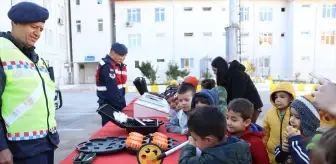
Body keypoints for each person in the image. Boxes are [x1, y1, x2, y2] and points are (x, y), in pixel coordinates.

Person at [0, 2, 59, 164]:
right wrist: (1, 148)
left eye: (41, 29)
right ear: (15, 23)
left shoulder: (35, 58)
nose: (37, 33)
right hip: (17, 150)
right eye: (33, 27)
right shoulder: (2, 52)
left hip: (45, 144)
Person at [179, 106, 252, 164]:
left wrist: (190, 146)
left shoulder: (212, 159)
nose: (193, 141)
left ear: (209, 140)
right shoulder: (238, 144)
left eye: (195, 139)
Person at [211, 57, 263, 123]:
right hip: (243, 105)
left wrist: (229, 110)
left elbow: (237, 96)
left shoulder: (237, 74)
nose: (215, 73)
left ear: (221, 68)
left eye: (215, 70)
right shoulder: (227, 76)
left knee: (246, 129)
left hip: (252, 106)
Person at [274, 96, 320, 164]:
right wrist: (282, 149)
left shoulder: (316, 141)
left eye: (297, 117)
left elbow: (306, 162)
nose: (291, 120)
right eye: (291, 115)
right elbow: (277, 159)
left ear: (309, 122)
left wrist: (295, 143)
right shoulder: (295, 135)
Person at [226, 98, 270, 164]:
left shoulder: (255, 143)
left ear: (246, 122)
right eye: (227, 118)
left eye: (234, 120)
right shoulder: (224, 136)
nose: (228, 122)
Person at [95, 42, 128, 126]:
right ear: (113, 52)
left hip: (118, 104)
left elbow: (120, 88)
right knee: (110, 131)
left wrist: (122, 106)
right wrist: (119, 108)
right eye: (121, 55)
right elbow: (112, 90)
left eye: (125, 55)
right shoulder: (107, 66)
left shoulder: (119, 65)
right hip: (109, 106)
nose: (123, 58)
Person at [263, 82, 296, 164]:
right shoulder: (270, 113)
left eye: (282, 96)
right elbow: (265, 133)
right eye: (276, 97)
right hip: (272, 153)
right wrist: (264, 146)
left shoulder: (295, 114)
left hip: (290, 153)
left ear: (291, 98)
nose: (278, 100)